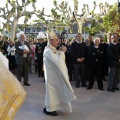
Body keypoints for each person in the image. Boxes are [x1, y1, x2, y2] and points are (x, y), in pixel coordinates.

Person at [43, 30, 76, 116]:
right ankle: (50, 109)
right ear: (51, 41)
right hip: (52, 77)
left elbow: (56, 56)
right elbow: (57, 62)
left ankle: (47, 106)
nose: (58, 41)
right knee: (52, 92)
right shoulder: (48, 51)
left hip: (54, 76)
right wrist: (62, 52)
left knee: (52, 92)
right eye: (56, 40)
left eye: (58, 40)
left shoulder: (52, 50)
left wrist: (60, 52)